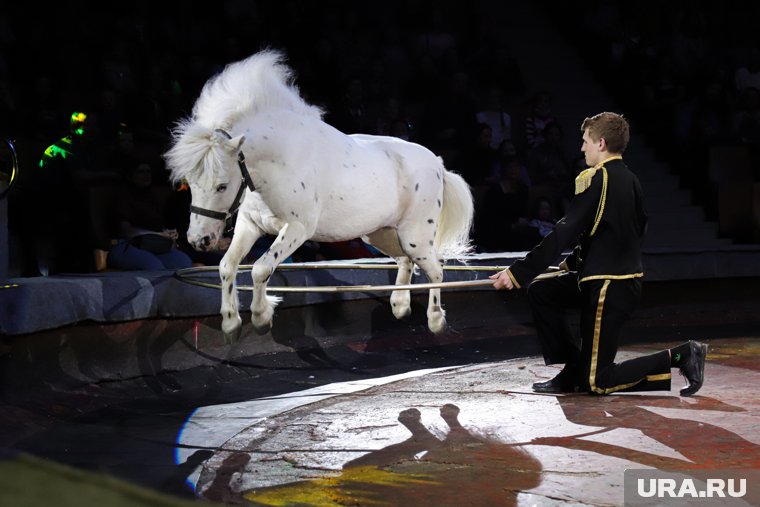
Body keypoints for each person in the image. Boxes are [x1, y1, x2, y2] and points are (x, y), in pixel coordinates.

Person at [490, 112, 708, 396]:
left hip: (610, 285)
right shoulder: (632, 179)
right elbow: (627, 231)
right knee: (543, 291)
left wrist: (517, 273)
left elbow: (563, 232)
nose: (582, 148)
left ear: (601, 143)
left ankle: (682, 355)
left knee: (598, 382)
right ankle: (574, 368)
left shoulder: (598, 179)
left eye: (585, 142)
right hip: (604, 280)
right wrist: (575, 263)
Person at [107, 159, 192, 271]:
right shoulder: (124, 197)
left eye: (148, 172)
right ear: (130, 175)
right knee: (153, 266)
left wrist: (168, 233)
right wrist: (156, 234)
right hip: (126, 246)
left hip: (153, 246)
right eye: (141, 172)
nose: (146, 175)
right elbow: (125, 231)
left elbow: (158, 225)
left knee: (183, 262)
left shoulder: (151, 197)